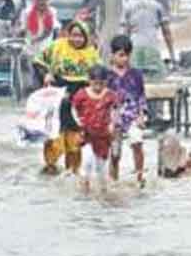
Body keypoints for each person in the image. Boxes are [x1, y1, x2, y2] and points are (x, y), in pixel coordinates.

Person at [35, 19, 101, 176]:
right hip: (57, 97)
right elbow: (37, 61)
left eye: (80, 36)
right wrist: (46, 75)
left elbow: (98, 78)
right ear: (68, 34)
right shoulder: (57, 46)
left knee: (75, 140)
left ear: (86, 37)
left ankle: (72, 172)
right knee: (54, 137)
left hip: (78, 100)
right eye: (73, 35)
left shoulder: (91, 53)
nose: (76, 39)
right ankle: (50, 167)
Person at [108, 35, 150, 187]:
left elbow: (141, 96)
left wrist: (142, 115)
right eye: (120, 55)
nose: (124, 59)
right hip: (114, 118)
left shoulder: (136, 74)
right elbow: (104, 98)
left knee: (137, 142)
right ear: (112, 55)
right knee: (115, 152)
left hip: (132, 115)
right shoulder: (107, 76)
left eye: (127, 55)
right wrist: (108, 119)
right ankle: (113, 181)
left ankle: (140, 176)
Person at [70, 63, 118, 193]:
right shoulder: (82, 94)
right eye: (95, 83)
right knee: (87, 161)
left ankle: (103, 191)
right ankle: (84, 188)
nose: (98, 87)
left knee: (101, 168)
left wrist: (112, 125)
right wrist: (78, 123)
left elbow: (114, 111)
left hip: (103, 135)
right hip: (86, 134)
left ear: (106, 82)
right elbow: (73, 109)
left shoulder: (110, 95)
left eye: (101, 84)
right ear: (89, 81)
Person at [119, 0, 176, 75]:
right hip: (152, 49)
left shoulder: (128, 6)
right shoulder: (157, 6)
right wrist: (172, 56)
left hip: (135, 50)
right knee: (158, 76)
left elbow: (124, 34)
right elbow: (167, 33)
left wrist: (122, 57)